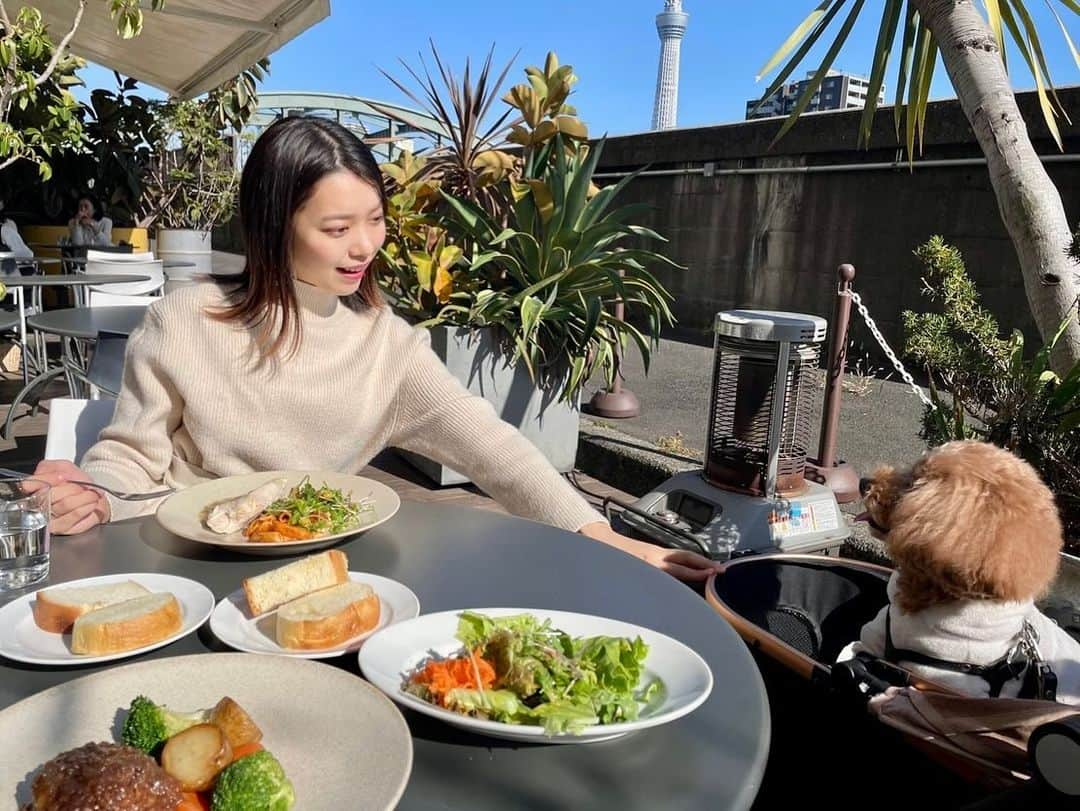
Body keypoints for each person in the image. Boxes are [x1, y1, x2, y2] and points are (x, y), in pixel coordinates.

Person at [32, 116, 719, 582]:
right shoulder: (186, 320)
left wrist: (607, 538)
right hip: (181, 568)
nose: (365, 246)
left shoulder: (386, 347)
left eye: (375, 220)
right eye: (337, 227)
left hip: (317, 579)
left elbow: (493, 446)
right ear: (273, 226)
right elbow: (127, 456)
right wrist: (90, 492)